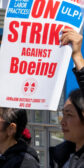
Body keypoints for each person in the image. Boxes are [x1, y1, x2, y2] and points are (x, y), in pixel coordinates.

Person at [49, 29, 84, 168]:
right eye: (63, 114)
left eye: (69, 115)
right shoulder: (61, 155)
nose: (63, 122)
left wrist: (77, 56)